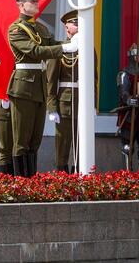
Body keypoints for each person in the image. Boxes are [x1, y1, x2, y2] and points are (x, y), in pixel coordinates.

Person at [6, 0, 77, 177]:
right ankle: (21, 181)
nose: (37, 3)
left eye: (36, 0)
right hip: (23, 87)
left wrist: (71, 43)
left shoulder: (41, 28)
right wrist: (66, 48)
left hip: (39, 87)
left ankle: (31, 181)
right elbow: (36, 52)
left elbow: (52, 45)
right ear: (21, 5)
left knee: (35, 140)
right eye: (32, 1)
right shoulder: (15, 30)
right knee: (22, 140)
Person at [45, 10, 97, 173]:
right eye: (74, 23)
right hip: (65, 103)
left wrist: (93, 103)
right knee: (63, 143)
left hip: (83, 101)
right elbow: (51, 81)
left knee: (82, 143)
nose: (78, 25)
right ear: (66, 27)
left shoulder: (88, 48)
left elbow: (93, 78)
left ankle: (80, 173)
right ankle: (62, 176)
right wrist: (52, 107)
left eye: (79, 22)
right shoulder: (59, 48)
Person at [0, 97, 14, 175]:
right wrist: (1, 99)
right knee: (4, 149)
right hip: (4, 111)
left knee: (21, 148)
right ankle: (6, 181)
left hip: (21, 110)